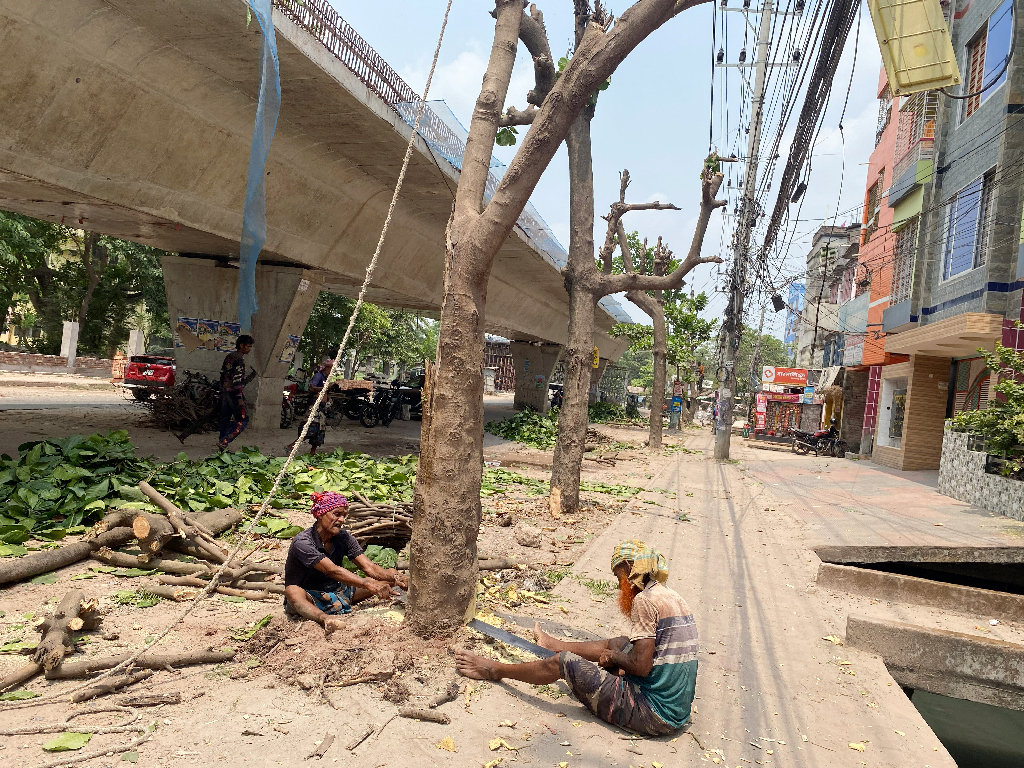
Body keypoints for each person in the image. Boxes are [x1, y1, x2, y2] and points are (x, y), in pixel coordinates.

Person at [455, 540, 698, 736]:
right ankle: (552, 643)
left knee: (564, 662)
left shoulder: (645, 601)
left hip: (653, 715)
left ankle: (496, 670)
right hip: (675, 711)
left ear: (628, 567)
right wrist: (617, 655)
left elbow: (642, 667)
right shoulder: (672, 596)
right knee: (619, 642)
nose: (619, 586)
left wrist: (614, 658)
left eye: (618, 577)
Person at [284, 492, 409, 634]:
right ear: (320, 514)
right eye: (336, 514)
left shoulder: (343, 537)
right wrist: (368, 584)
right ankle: (325, 619)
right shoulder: (303, 542)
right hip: (311, 597)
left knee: (390, 578)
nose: (341, 520)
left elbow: (369, 567)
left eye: (344, 515)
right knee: (292, 591)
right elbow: (332, 570)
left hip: (339, 592)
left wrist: (398, 578)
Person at [218, 335, 257, 449]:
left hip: (225, 392)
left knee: (225, 418)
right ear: (242, 345)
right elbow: (237, 381)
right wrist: (239, 398)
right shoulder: (239, 360)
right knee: (243, 419)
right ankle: (225, 440)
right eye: (248, 346)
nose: (249, 349)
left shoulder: (229, 357)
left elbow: (223, 374)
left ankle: (221, 441)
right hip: (234, 394)